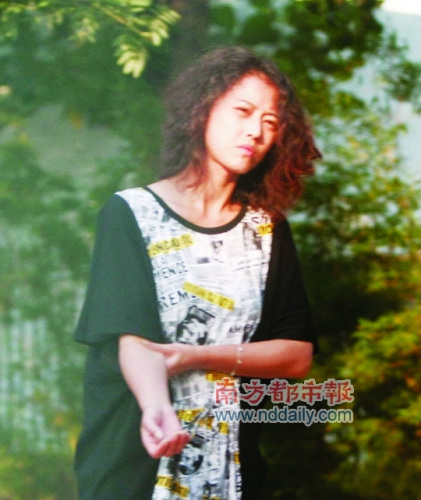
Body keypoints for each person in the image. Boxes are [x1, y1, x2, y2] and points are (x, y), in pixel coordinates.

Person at [74, 46, 321, 500]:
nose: (255, 131)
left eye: (270, 122)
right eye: (243, 111)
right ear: (202, 109)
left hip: (232, 473)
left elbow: (295, 355)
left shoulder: (267, 229)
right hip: (135, 463)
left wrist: (196, 356)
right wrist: (156, 408)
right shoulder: (132, 213)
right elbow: (131, 339)